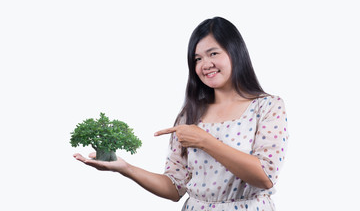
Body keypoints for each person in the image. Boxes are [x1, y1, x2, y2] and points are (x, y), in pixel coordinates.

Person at [73, 17, 289, 211]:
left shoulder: (268, 107)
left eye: (213, 53)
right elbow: (175, 188)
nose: (205, 65)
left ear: (235, 52)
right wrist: (124, 168)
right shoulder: (190, 114)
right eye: (197, 59)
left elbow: (265, 177)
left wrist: (204, 140)